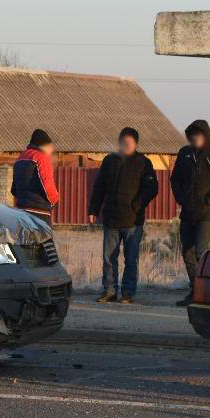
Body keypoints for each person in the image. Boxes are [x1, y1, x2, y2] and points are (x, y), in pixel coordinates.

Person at [88, 127, 158, 304]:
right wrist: (93, 210)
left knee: (131, 259)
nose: (125, 145)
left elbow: (152, 188)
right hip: (111, 218)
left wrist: (137, 205)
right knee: (109, 259)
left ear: (135, 143)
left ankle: (128, 293)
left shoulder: (143, 162)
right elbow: (99, 187)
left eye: (129, 142)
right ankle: (109, 291)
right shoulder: (109, 161)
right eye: (123, 141)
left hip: (133, 220)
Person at [170, 120, 210, 306]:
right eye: (192, 136)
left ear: (206, 135)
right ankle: (195, 292)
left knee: (201, 252)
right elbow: (175, 179)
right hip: (187, 212)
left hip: (207, 212)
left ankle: (207, 294)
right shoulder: (185, 153)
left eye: (199, 135)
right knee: (187, 253)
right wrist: (181, 199)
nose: (195, 139)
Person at [11, 129, 60, 225]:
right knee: (44, 239)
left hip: (21, 211)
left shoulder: (20, 158)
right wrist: (55, 200)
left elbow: (14, 189)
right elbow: (47, 184)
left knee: (24, 239)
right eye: (50, 147)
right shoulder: (41, 158)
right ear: (44, 145)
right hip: (39, 212)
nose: (51, 150)